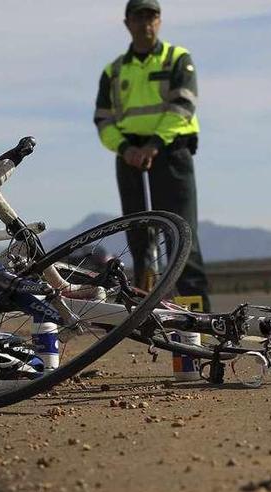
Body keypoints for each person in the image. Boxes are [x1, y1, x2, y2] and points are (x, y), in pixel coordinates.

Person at [93, 0, 211, 311]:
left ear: (159, 21)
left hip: (170, 152)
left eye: (152, 15)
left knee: (182, 236)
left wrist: (154, 145)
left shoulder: (177, 59)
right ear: (127, 22)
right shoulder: (114, 71)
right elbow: (103, 121)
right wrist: (126, 149)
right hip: (129, 154)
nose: (146, 22)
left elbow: (183, 107)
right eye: (139, 16)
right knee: (139, 238)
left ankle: (196, 319)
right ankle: (146, 312)